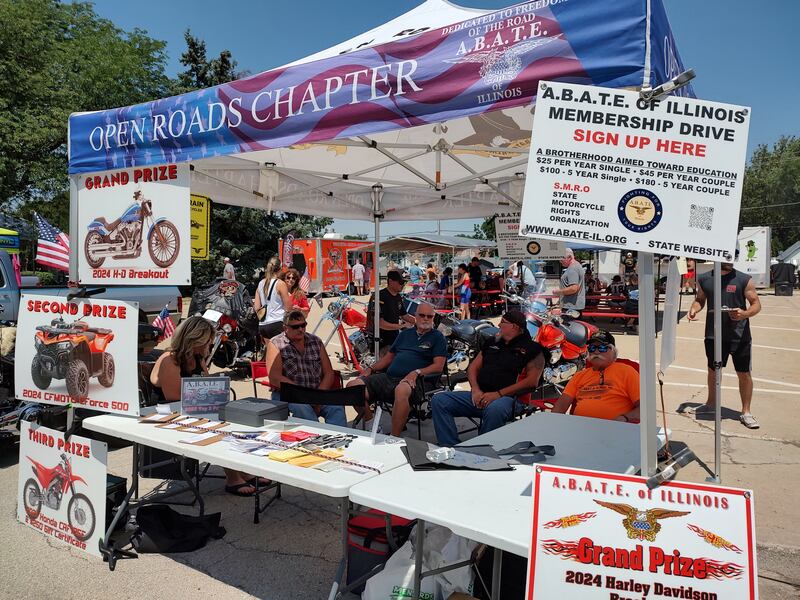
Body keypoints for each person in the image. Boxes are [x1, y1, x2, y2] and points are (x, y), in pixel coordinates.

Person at [150, 317, 263, 496]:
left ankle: (241, 469)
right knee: (220, 428)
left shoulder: (197, 358)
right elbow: (174, 398)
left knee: (236, 419)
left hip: (194, 410)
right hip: (169, 414)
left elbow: (208, 385)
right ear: (195, 339)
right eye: (208, 341)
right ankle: (233, 476)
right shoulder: (170, 360)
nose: (211, 345)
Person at [431, 310, 546, 446]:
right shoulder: (493, 342)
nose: (499, 325)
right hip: (480, 396)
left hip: (511, 400)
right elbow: (473, 368)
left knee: (495, 409)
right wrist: (475, 390)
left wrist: (497, 395)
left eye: (503, 322)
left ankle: (483, 450)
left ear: (514, 327)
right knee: (439, 400)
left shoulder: (533, 350)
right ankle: (450, 446)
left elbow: (532, 382)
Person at [347, 302, 447, 436]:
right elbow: (388, 358)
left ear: (433, 318)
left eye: (429, 316)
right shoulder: (405, 334)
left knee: (401, 390)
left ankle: (394, 437)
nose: (425, 319)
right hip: (389, 377)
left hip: (418, 382)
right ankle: (372, 426)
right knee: (353, 386)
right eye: (422, 315)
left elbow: (439, 366)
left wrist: (416, 372)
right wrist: (370, 368)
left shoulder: (437, 337)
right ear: (415, 316)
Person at [687, 256, 762, 429]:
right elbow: (700, 299)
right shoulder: (705, 279)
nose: (730, 260)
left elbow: (756, 304)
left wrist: (744, 314)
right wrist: (693, 308)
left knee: (743, 373)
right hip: (713, 335)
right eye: (726, 257)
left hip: (739, 335)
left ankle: (746, 412)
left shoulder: (744, 279)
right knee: (713, 371)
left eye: (732, 257)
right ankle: (711, 404)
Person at [266, 310, 346, 427]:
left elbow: (329, 373)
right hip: (288, 394)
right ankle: (316, 438)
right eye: (295, 327)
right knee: (302, 407)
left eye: (303, 325)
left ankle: (341, 438)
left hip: (316, 392)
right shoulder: (275, 344)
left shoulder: (316, 341)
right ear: (285, 328)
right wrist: (303, 395)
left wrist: (318, 396)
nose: (300, 329)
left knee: (336, 406)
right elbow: (274, 378)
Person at [551, 330, 640, 422]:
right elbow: (561, 405)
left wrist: (625, 418)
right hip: (580, 428)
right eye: (592, 348)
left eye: (602, 348)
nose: (596, 352)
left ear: (614, 352)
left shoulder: (626, 371)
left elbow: (644, 408)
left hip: (616, 429)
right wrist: (551, 424)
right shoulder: (579, 376)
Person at [367, 270, 415, 347]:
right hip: (381, 340)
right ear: (391, 281)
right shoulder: (379, 296)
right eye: (400, 282)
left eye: (404, 283)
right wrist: (402, 326)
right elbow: (380, 323)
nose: (402, 285)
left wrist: (418, 321)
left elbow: (404, 315)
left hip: (394, 337)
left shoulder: (398, 296)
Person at [254, 256, 293, 342]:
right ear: (280, 268)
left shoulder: (260, 284)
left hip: (263, 324)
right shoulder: (280, 284)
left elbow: (256, 307)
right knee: (283, 352)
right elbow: (288, 308)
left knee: (270, 352)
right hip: (277, 322)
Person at [554, 248, 585, 313]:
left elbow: (573, 288)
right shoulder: (577, 266)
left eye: (562, 258)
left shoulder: (572, 269)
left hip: (570, 307)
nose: (560, 261)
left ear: (569, 257)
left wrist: (558, 291)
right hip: (573, 306)